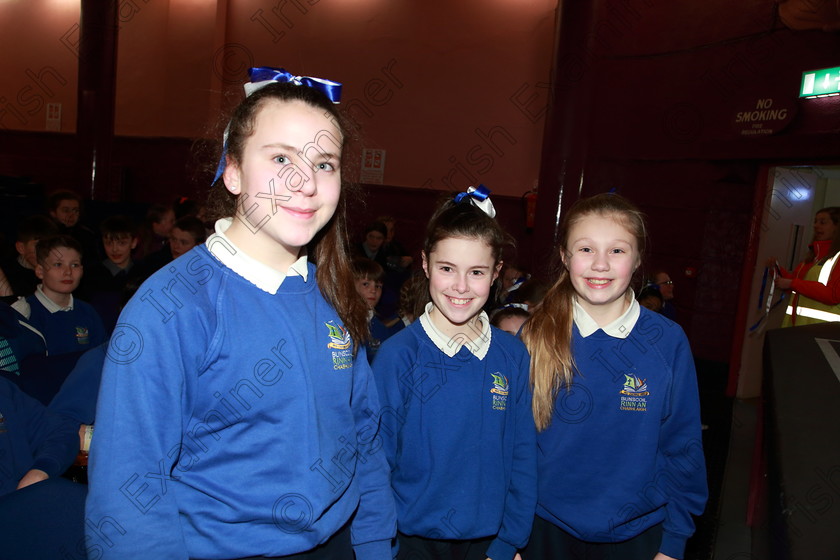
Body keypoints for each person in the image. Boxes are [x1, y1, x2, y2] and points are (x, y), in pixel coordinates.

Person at [85, 67, 396, 560]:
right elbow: (128, 487)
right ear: (232, 171)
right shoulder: (172, 306)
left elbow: (364, 439)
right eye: (280, 158)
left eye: (324, 164)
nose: (305, 183)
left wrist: (377, 546)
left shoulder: (333, 294)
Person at [521, 193, 707, 560]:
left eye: (618, 251)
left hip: (637, 533)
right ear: (564, 256)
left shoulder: (667, 341)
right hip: (541, 529)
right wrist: (508, 535)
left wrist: (673, 541)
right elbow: (509, 446)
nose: (600, 265)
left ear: (638, 260)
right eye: (586, 249)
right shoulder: (533, 335)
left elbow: (683, 444)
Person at [372, 187, 537, 560]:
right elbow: (376, 460)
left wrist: (511, 539)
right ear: (427, 264)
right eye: (447, 268)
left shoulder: (511, 354)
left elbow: (523, 454)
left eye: (476, 272)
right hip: (408, 540)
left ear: (496, 273)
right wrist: (378, 543)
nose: (461, 286)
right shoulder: (399, 356)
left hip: (488, 541)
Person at [11, 235, 105, 356]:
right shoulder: (24, 313)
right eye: (58, 264)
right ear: (40, 271)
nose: (68, 272)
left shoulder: (88, 312)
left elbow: (101, 359)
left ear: (82, 269)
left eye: (74, 265)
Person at [774, 206, 840, 326]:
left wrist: (791, 283)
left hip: (823, 331)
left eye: (823, 222)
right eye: (815, 221)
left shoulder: (838, 258)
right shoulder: (812, 257)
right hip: (797, 328)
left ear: (837, 227)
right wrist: (776, 270)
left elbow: (833, 295)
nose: (816, 226)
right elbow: (796, 285)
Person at [352, 258, 403, 362]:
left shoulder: (379, 328)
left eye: (378, 286)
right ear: (349, 286)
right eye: (366, 284)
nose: (373, 290)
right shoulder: (340, 323)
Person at [0, 215, 59, 299]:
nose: (47, 251)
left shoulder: (60, 272)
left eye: (52, 245)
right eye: (39, 245)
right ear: (21, 248)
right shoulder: (6, 276)